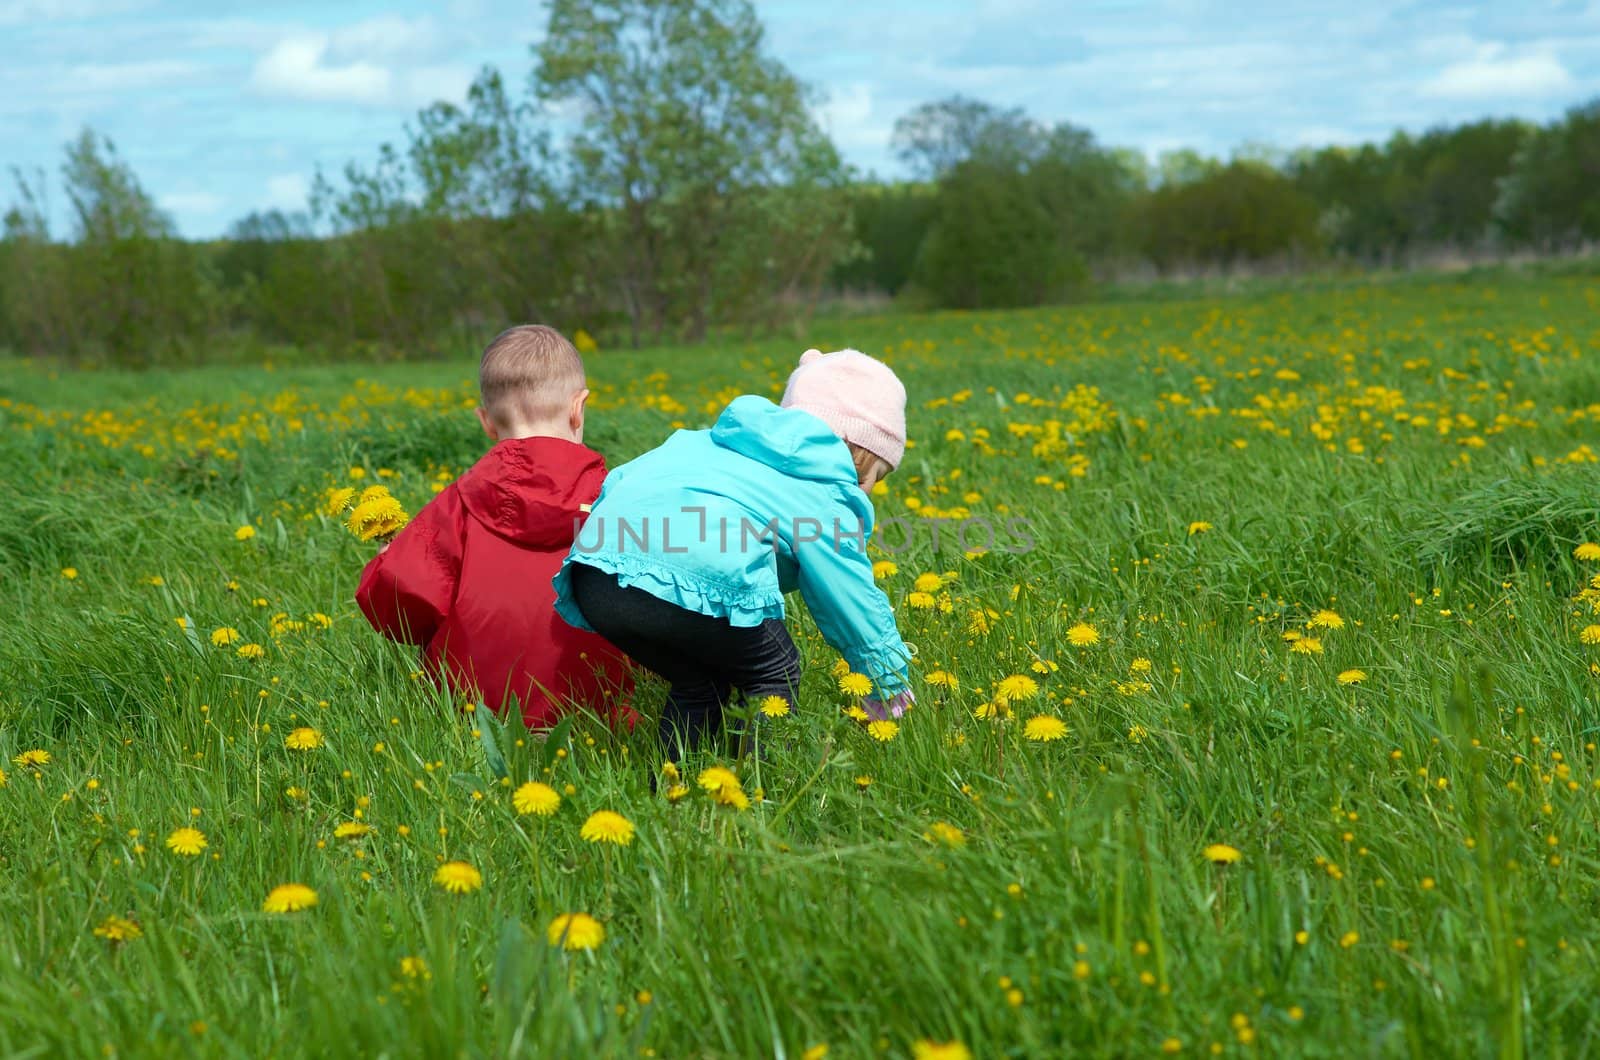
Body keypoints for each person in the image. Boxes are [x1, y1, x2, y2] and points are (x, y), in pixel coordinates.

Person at [553, 347, 914, 758]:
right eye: (870, 480)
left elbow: (624, 480)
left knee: (700, 682)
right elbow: (850, 599)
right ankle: (764, 789)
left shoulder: (705, 442)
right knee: (773, 672)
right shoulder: (825, 488)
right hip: (690, 577)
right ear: (853, 451)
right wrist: (886, 680)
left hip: (597, 575)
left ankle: (672, 789)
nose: (864, 493)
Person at [356, 325, 631, 729]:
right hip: (606, 719)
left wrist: (386, 564)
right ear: (579, 407)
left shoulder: (458, 505)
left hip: (473, 718)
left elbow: (399, 609)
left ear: (486, 422)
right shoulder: (619, 501)